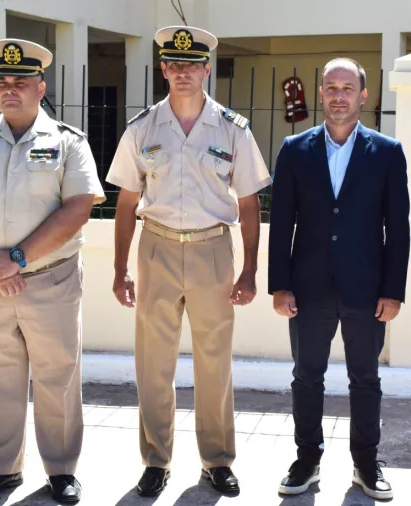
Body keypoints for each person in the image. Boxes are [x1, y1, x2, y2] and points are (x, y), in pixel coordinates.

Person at [0, 38, 105, 504]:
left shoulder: (68, 142)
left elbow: (78, 208)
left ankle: (61, 470)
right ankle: (1, 470)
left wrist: (17, 259)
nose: (10, 89)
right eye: (3, 82)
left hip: (51, 280)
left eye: (21, 81)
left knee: (57, 377)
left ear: (40, 87)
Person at [105, 26, 271, 497]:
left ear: (206, 70)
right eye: (174, 65)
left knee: (214, 361)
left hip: (211, 249)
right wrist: (120, 269)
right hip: (156, 247)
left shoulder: (233, 129)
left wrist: (250, 270)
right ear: (163, 69)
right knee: (153, 361)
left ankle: (216, 459)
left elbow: (249, 203)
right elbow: (126, 203)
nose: (183, 73)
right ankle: (156, 460)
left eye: (191, 65)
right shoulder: (142, 129)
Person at [268, 57, 410, 500]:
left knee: (365, 379)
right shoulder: (295, 149)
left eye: (348, 88)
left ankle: (366, 464)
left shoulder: (387, 152)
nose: (338, 96)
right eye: (331, 87)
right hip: (307, 288)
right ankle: (306, 460)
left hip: (366, 290)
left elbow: (398, 227)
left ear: (363, 96)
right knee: (306, 377)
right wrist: (280, 285)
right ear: (321, 93)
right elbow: (282, 222)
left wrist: (393, 290)